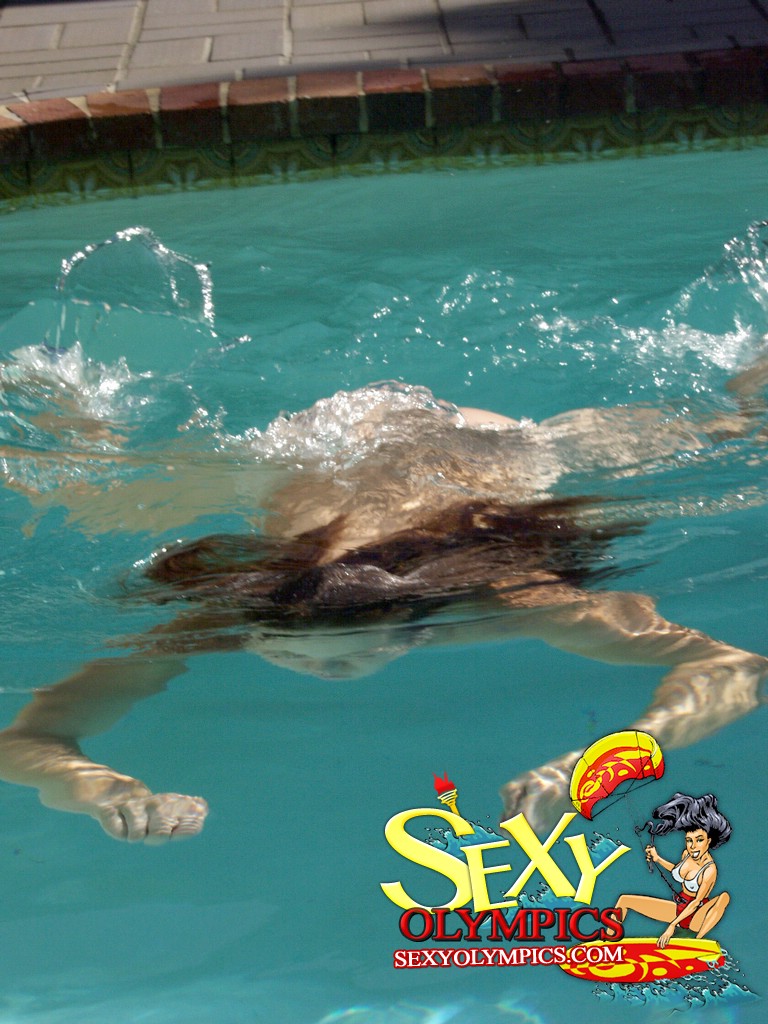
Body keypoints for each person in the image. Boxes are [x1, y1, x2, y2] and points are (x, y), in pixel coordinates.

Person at [0, 371, 766, 844]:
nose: (325, 675)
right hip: (321, 447)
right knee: (90, 485)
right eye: (285, 653)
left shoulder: (511, 600)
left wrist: (593, 770)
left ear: (414, 625)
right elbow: (23, 741)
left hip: (479, 443)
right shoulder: (228, 621)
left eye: (357, 657)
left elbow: (735, 668)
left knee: (740, 430)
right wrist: (107, 795)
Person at [616, 793, 732, 947]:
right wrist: (657, 858)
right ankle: (607, 943)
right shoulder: (686, 854)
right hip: (679, 907)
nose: (693, 846)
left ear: (709, 841)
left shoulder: (709, 870)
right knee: (625, 900)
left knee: (724, 897)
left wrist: (672, 926)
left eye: (699, 840)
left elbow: (696, 902)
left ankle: (698, 943)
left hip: (696, 915)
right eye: (689, 840)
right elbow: (676, 871)